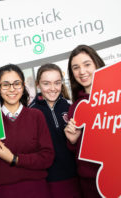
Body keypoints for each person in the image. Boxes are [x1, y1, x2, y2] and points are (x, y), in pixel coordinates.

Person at [64, 45, 121, 197]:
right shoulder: (75, 107)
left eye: (87, 64)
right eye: (76, 67)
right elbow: (77, 150)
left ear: (96, 63)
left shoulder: (120, 96)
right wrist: (72, 142)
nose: (82, 71)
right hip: (90, 184)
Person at [0, 64, 54, 198]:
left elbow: (47, 157)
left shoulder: (36, 116)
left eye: (16, 83)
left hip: (37, 190)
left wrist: (14, 159)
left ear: (23, 86)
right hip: (4, 192)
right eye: (5, 84)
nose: (12, 89)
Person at [29, 63, 82, 198]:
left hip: (75, 177)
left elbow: (82, 145)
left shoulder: (71, 107)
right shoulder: (30, 112)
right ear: (38, 84)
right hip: (46, 181)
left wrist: (75, 140)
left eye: (57, 83)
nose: (53, 89)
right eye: (46, 83)